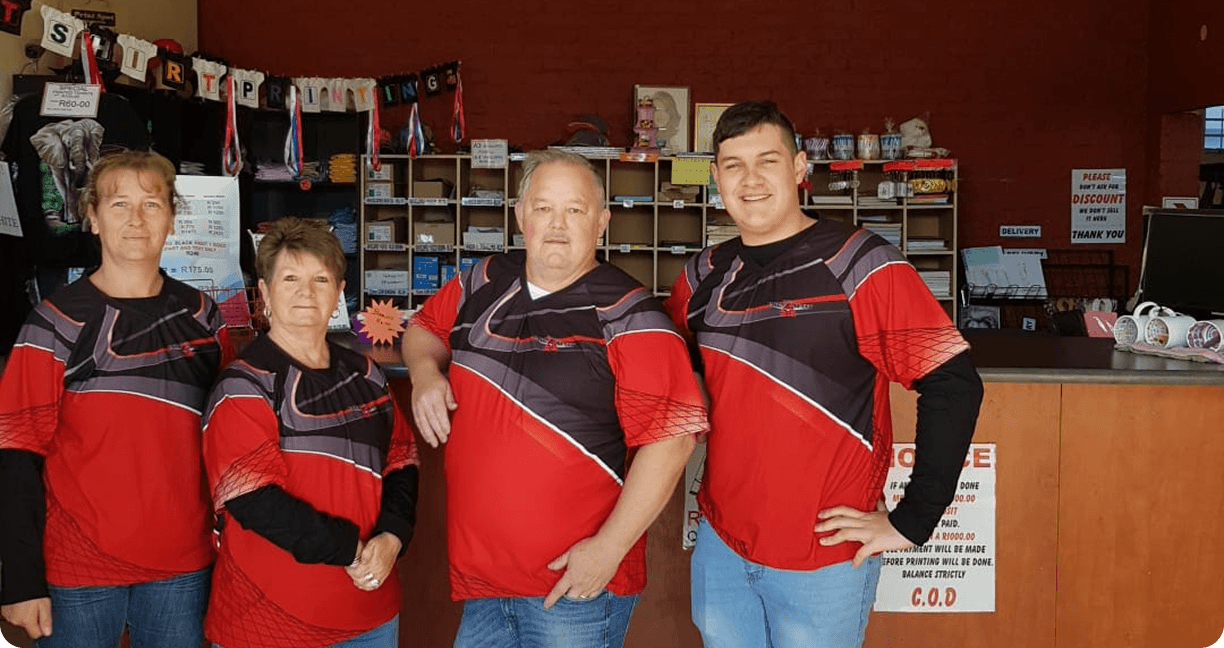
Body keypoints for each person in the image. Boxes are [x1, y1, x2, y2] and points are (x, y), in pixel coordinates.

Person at [665, 101, 984, 648]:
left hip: (824, 556)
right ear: (715, 177)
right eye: (734, 165)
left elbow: (953, 381)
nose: (750, 179)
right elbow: (671, 368)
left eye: (767, 161)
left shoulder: (861, 264)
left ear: (799, 167)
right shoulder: (701, 276)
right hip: (722, 545)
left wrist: (914, 519)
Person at [404, 149, 708, 648]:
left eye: (575, 210)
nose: (557, 224)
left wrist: (608, 550)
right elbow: (423, 328)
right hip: (484, 584)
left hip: (573, 588)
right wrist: (423, 373)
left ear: (602, 222)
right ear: (520, 215)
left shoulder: (632, 315)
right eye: (543, 208)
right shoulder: (483, 281)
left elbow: (672, 441)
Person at [0, 149, 234, 646]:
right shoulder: (53, 323)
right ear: (92, 217)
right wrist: (20, 579)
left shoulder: (204, 317)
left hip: (182, 566)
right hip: (76, 569)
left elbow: (228, 444)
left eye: (151, 204)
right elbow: (16, 452)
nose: (136, 220)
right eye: (119, 204)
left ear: (172, 218)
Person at [202, 217, 418, 648]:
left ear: (339, 292)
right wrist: (352, 551)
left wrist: (393, 536)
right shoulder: (244, 385)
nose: (307, 292)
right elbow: (255, 501)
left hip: (370, 616)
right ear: (265, 292)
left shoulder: (366, 374)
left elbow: (402, 460)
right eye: (290, 278)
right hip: (267, 621)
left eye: (321, 279)